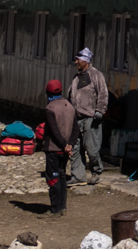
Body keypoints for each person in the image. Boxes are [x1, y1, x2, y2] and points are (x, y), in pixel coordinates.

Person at [68, 47, 109, 184]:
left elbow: (103, 93)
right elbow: (70, 95)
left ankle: (96, 171)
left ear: (86, 60)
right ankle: (78, 176)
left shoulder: (96, 75)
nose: (76, 62)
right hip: (76, 118)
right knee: (75, 148)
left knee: (92, 148)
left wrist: (100, 110)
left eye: (78, 59)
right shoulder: (76, 77)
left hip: (90, 117)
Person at [40, 78, 74, 215]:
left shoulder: (50, 109)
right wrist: (70, 145)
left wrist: (64, 145)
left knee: (53, 178)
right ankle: (62, 207)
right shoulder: (70, 106)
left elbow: (53, 131)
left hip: (53, 149)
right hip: (65, 151)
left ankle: (54, 209)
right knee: (61, 177)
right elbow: (76, 129)